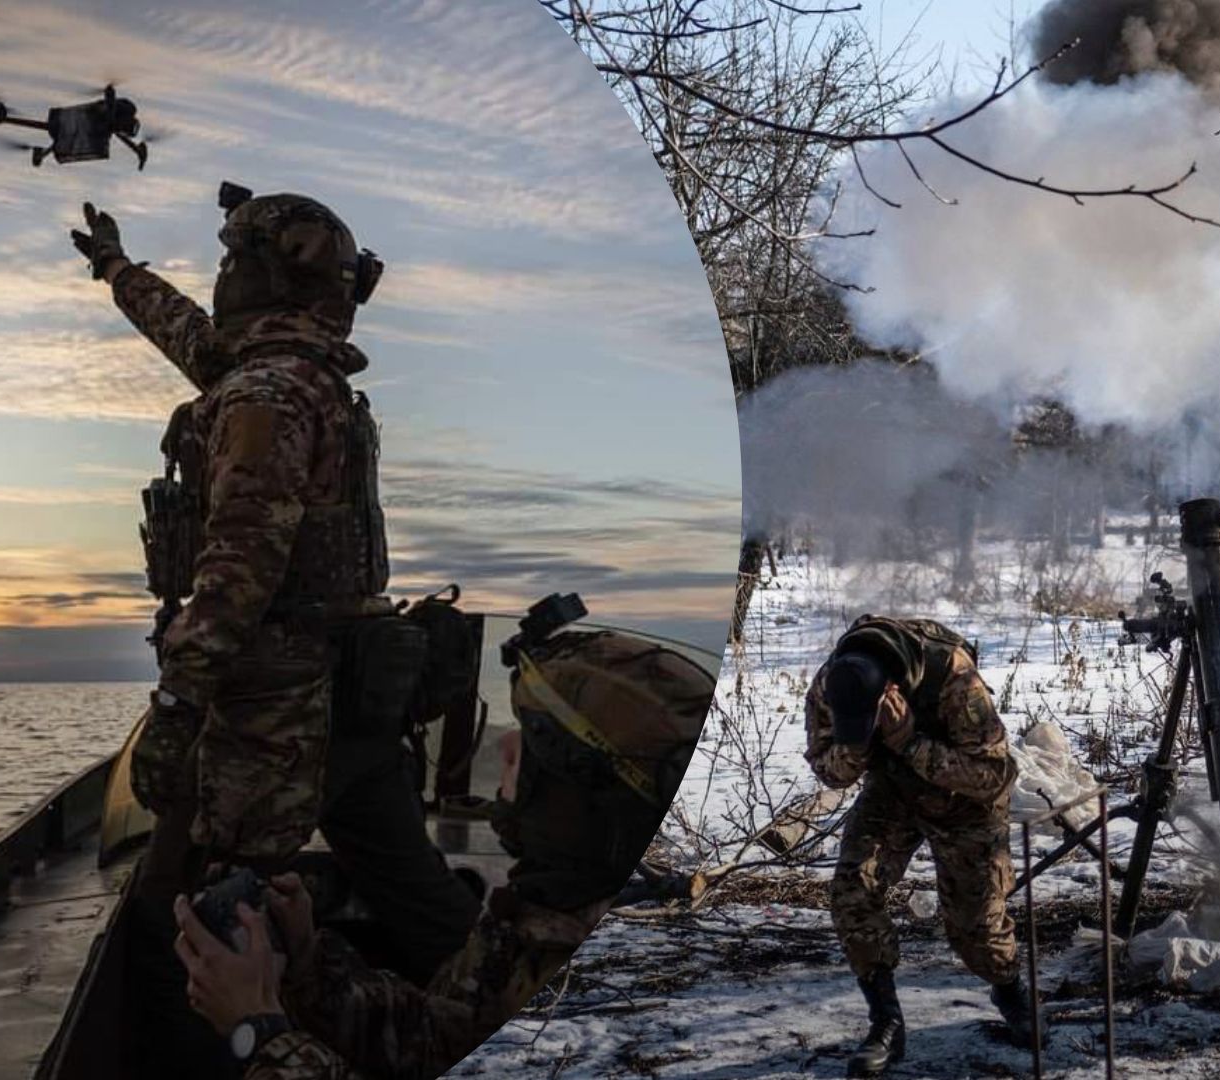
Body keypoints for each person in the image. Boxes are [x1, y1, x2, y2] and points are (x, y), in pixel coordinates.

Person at [72, 189, 478, 1076]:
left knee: (187, 912)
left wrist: (178, 706)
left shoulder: (265, 395)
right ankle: (485, 1016)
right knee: (416, 895)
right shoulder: (290, 371)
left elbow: (234, 578)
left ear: (264, 278)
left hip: (273, 711)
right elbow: (189, 334)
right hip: (355, 696)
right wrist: (114, 267)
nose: (216, 279)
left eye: (230, 263)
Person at [171, 620, 713, 1079]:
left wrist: (255, 1028)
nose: (505, 744)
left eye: (535, 739)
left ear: (575, 792)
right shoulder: (553, 911)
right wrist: (307, 964)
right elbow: (441, 1035)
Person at [804, 615, 1039, 1078]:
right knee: (853, 891)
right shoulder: (833, 684)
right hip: (893, 788)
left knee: (977, 935)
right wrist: (858, 748)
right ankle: (886, 1022)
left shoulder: (952, 677)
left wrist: (909, 741)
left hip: (967, 800)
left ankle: (1011, 991)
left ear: (893, 687)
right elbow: (828, 767)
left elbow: (992, 775)